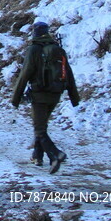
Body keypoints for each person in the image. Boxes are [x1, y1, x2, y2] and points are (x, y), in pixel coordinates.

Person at [11, 22, 80, 174]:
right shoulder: (58, 49)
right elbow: (69, 73)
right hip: (55, 94)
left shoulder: (33, 50)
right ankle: (38, 156)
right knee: (42, 125)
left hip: (39, 94)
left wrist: (16, 98)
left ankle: (55, 154)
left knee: (39, 129)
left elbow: (25, 74)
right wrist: (74, 97)